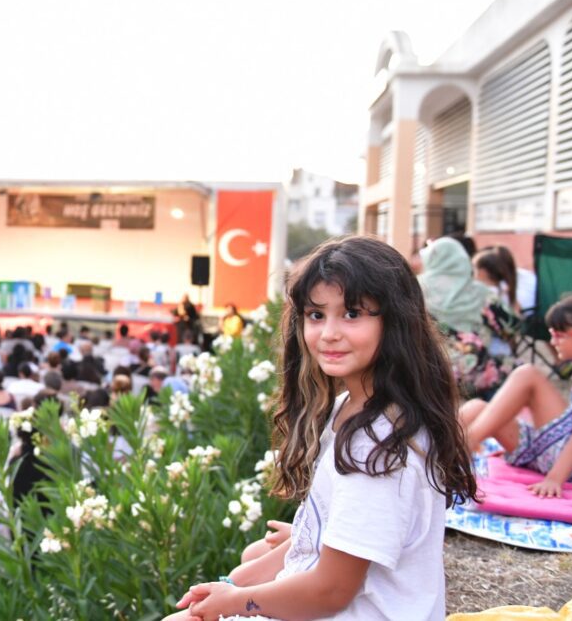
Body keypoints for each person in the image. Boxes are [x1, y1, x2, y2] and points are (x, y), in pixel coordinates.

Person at [168, 235, 476, 621]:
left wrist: (234, 601)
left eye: (352, 314)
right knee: (249, 561)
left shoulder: (375, 450)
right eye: (316, 315)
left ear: (396, 321)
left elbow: (330, 592)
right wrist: (244, 577)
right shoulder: (353, 407)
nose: (329, 333)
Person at [459, 294, 572, 496]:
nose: (553, 341)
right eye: (552, 333)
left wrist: (554, 479)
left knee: (528, 375)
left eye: (560, 334)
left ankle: (462, 447)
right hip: (560, 451)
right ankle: (431, 448)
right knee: (476, 407)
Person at [417, 237, 492, 334]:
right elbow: (511, 325)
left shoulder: (417, 285)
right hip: (471, 347)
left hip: (429, 347)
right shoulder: (479, 290)